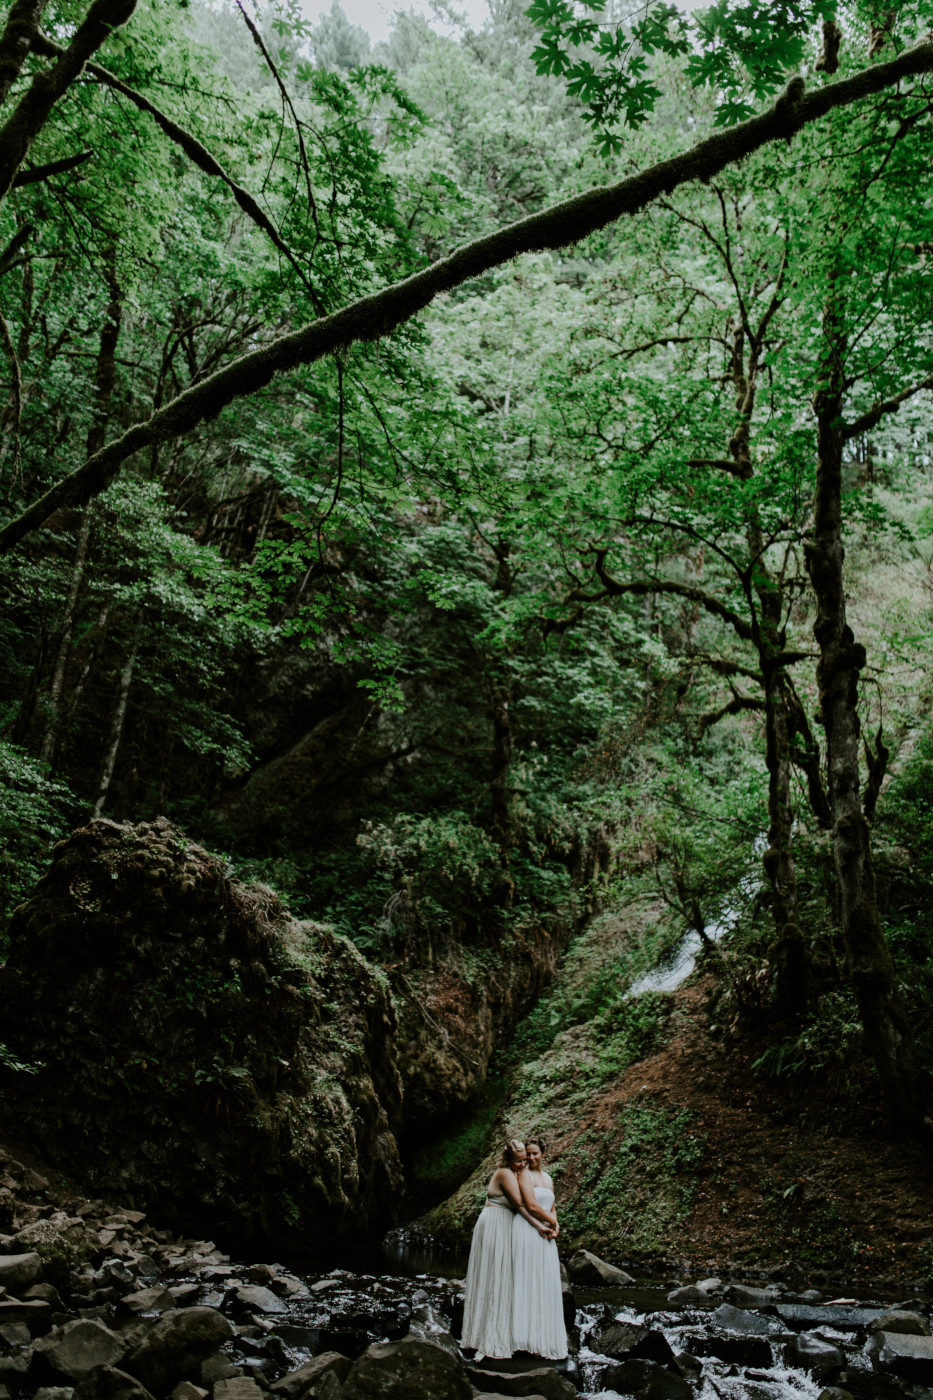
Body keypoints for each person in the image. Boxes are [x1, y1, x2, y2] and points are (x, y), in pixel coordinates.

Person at [461, 1139, 555, 1360]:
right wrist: (541, 1225)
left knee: (503, 1278)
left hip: (505, 1224)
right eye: (519, 1160)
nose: (523, 1164)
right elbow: (522, 1205)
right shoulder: (504, 1173)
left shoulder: (517, 1174)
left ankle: (498, 1330)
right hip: (494, 1222)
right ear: (508, 1159)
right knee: (493, 1276)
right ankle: (482, 1337)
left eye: (525, 1160)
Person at [510, 1133, 567, 1360]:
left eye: (535, 1154)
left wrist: (557, 1224)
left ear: (543, 1154)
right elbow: (531, 1206)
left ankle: (542, 1336)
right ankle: (522, 1338)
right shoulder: (523, 1175)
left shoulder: (548, 1178)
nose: (531, 1158)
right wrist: (550, 1222)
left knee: (544, 1281)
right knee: (526, 1279)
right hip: (527, 1230)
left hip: (545, 1233)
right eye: (528, 1154)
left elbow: (551, 1206)